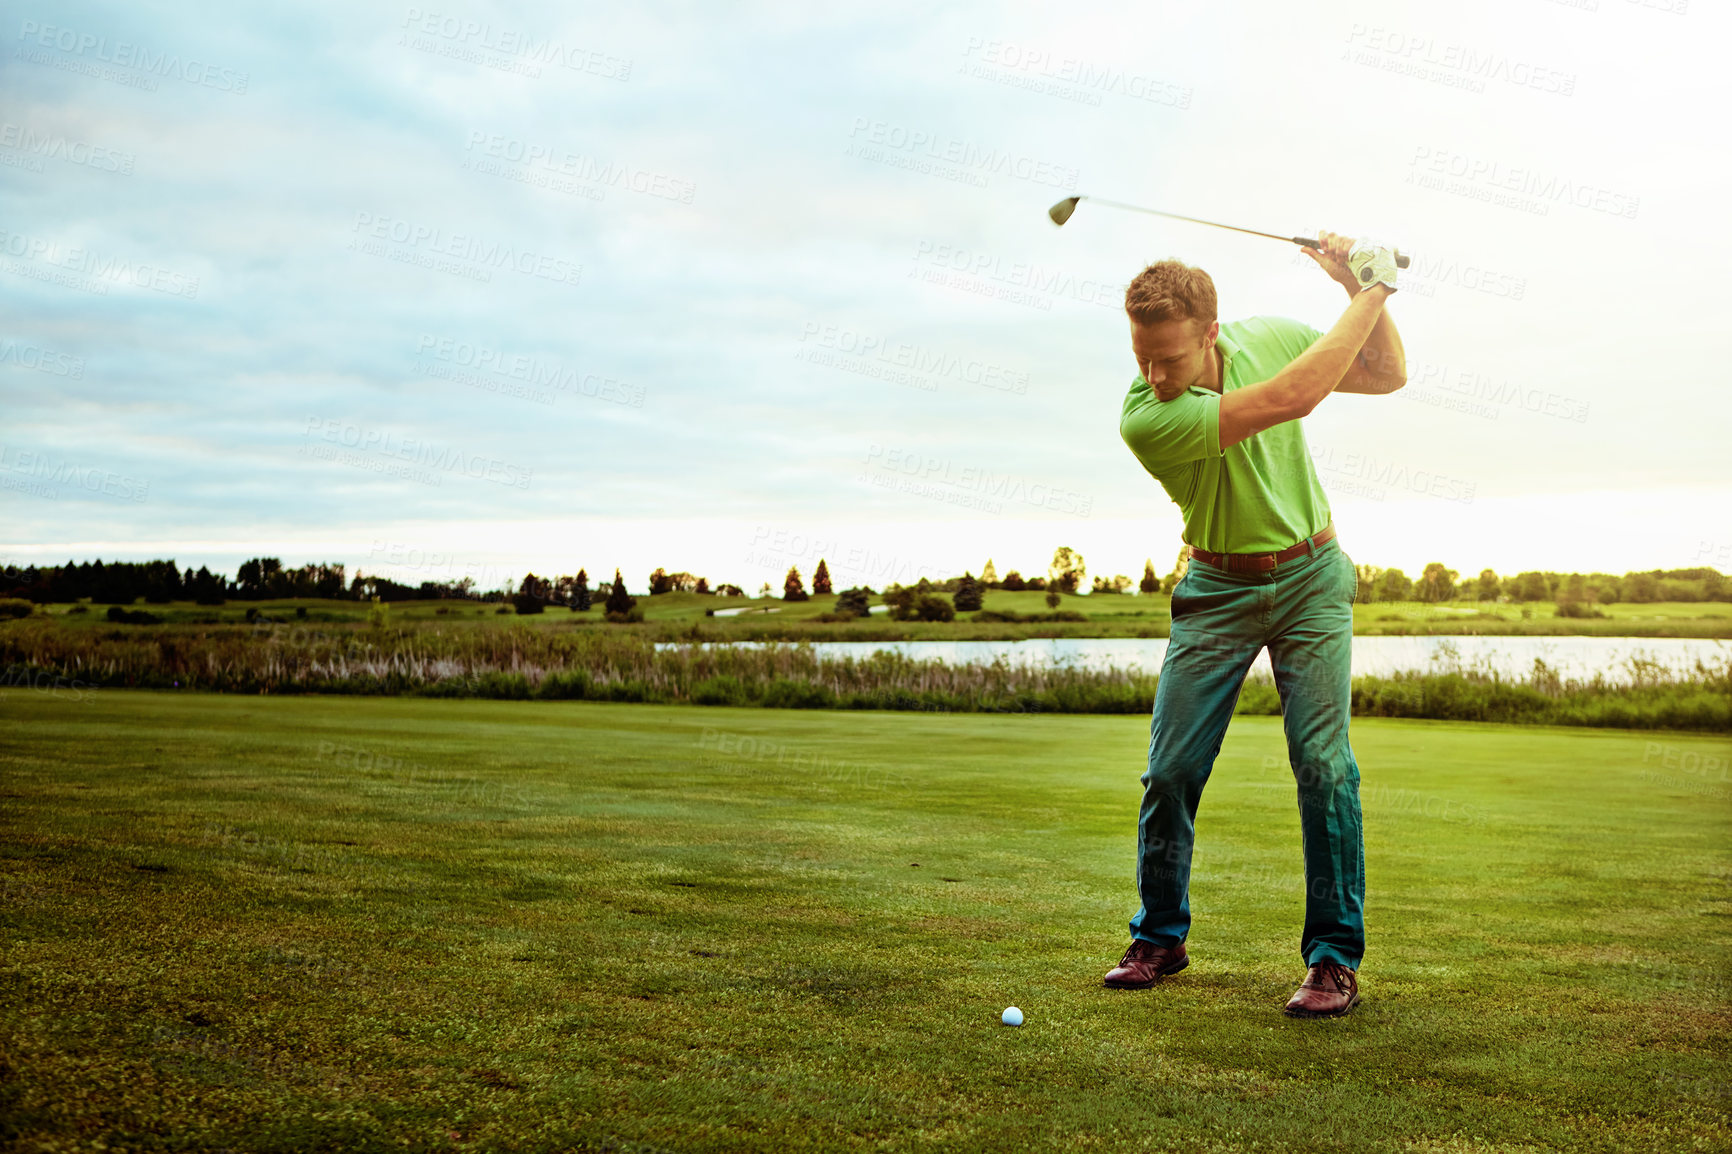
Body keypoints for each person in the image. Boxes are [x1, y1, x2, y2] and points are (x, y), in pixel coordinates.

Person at [1101, 233, 1406, 1018]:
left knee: (1324, 765)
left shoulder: (1265, 336)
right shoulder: (1148, 418)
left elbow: (1384, 373)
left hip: (1311, 577)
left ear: (1211, 334)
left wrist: (1353, 292)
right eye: (1142, 357)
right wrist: (1373, 289)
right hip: (1216, 588)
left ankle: (1333, 959)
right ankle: (1160, 934)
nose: (1154, 375)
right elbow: (1292, 398)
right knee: (1170, 771)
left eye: (1169, 357)